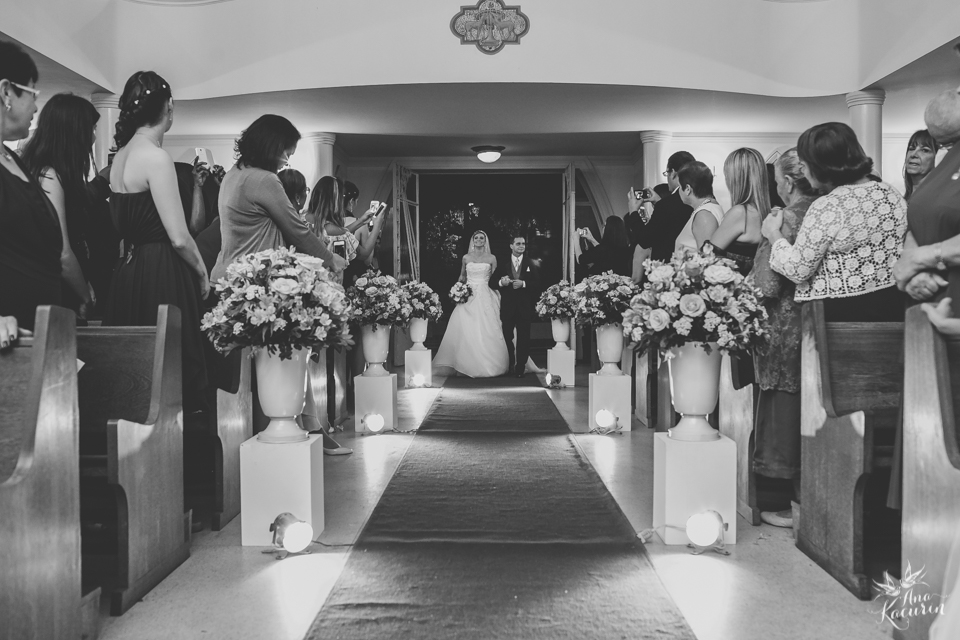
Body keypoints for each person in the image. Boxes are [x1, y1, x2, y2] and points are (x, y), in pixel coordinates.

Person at [104, 71, 211, 415]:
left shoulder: (120, 157)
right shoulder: (155, 157)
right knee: (173, 370)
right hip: (161, 272)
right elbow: (179, 237)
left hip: (128, 273)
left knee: (136, 375)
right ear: (168, 108)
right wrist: (202, 273)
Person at [763, 122, 907, 322]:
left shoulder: (828, 205)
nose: (803, 171)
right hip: (895, 304)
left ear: (820, 165)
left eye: (804, 164)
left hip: (844, 315)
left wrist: (773, 233)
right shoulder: (890, 192)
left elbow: (798, 269)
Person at [748, 148, 820, 529]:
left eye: (777, 180)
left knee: (787, 415)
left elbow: (766, 284)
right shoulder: (823, 212)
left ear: (789, 182)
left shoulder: (784, 219)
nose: (775, 186)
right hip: (819, 328)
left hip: (785, 329)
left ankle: (795, 502)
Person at [212, 115, 346, 284]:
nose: (286, 162)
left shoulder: (232, 174)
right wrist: (330, 258)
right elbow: (296, 230)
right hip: (249, 280)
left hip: (227, 275)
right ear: (274, 147)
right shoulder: (264, 179)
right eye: (287, 154)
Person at [0, 41, 64, 332]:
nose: (37, 106)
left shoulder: (11, 156)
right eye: (33, 93)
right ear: (6, 92)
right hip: (12, 334)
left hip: (41, 325)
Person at [20, 93, 100, 320]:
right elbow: (62, 251)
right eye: (92, 128)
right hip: (57, 287)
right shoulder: (49, 176)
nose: (94, 137)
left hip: (64, 282)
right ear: (75, 132)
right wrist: (84, 294)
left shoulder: (48, 171)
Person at [895, 89, 960, 312]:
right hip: (925, 297)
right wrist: (912, 267)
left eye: (924, 150)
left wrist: (922, 259)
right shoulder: (949, 162)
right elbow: (918, 222)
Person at [433, 230, 509, 378]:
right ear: (472, 240)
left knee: (487, 326)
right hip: (468, 294)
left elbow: (494, 278)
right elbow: (462, 276)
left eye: (482, 238)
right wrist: (457, 289)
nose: (479, 240)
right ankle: (464, 363)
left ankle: (490, 363)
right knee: (465, 327)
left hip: (485, 294)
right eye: (476, 238)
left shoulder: (491, 258)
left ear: (485, 241)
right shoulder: (466, 257)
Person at [705, 147, 770, 276]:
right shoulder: (764, 213)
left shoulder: (740, 212)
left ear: (736, 179)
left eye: (727, 175)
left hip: (736, 286)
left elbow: (708, 256)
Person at [631, 151, 696, 263]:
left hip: (668, 266)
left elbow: (644, 240)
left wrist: (633, 212)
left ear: (673, 172)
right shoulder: (694, 199)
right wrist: (659, 202)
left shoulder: (667, 205)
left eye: (667, 173)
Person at [494, 234, 541, 377]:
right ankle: (510, 363)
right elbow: (492, 282)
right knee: (506, 336)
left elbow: (538, 284)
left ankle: (520, 367)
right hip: (507, 307)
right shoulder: (503, 262)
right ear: (511, 246)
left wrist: (524, 284)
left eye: (523, 244)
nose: (521, 246)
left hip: (524, 307)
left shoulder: (530, 263)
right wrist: (502, 282)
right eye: (518, 243)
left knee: (523, 338)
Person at [675, 161, 725, 252]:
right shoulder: (708, 208)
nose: (678, 191)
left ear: (687, 189)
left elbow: (706, 257)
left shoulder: (704, 215)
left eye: (679, 187)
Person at [902, 129, 939, 201]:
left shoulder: (939, 198)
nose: (913, 154)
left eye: (925, 150)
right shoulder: (898, 198)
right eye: (911, 149)